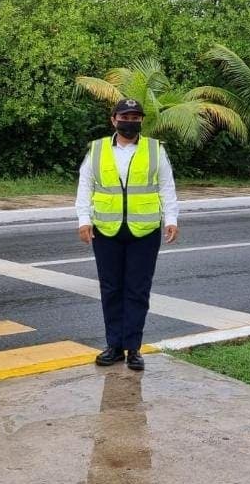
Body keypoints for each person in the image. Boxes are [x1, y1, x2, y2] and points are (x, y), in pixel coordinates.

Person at [75, 98, 179, 371]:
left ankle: (133, 348)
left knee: (137, 290)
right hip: (106, 230)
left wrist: (171, 219)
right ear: (113, 120)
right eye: (125, 116)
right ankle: (113, 346)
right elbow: (85, 185)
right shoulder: (97, 149)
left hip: (144, 231)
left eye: (135, 117)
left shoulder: (154, 149)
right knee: (111, 289)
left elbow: (166, 186)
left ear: (141, 121)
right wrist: (83, 220)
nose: (129, 121)